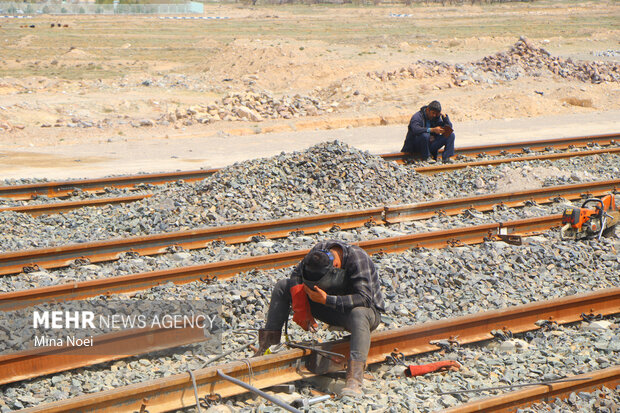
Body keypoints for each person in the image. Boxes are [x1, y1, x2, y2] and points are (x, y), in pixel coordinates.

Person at [254, 240, 384, 398]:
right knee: (283, 286)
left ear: (335, 266)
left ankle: (354, 379)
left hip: (362, 313)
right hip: (327, 304)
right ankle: (265, 350)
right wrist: (300, 306)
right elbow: (295, 275)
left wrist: (327, 300)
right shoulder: (318, 252)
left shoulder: (358, 259)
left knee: (359, 313)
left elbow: (365, 299)